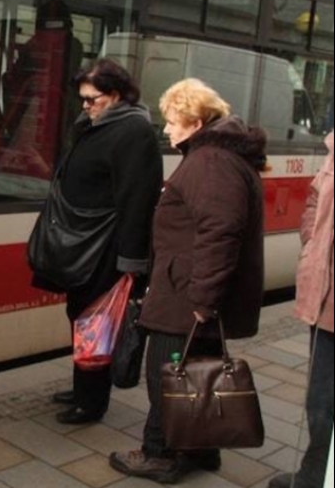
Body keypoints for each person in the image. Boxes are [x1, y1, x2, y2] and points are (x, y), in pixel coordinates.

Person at [109, 78, 266, 483]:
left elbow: (220, 231)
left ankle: (159, 453)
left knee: (168, 373)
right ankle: (200, 449)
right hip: (192, 289)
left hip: (186, 297)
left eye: (172, 119)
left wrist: (202, 298)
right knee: (198, 372)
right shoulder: (217, 156)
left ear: (195, 121)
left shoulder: (210, 161)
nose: (166, 128)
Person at [32, 58, 162, 424]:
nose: (86, 105)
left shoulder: (133, 132)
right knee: (80, 314)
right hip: (84, 241)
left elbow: (138, 200)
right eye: (82, 99)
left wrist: (132, 263)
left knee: (96, 322)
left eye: (93, 99)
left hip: (105, 247)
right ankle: (82, 385)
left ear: (116, 95)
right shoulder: (96, 124)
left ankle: (91, 403)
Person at [268, 131, 333, 488]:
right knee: (321, 399)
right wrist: (313, 243)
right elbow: (313, 201)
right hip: (324, 297)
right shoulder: (333, 151)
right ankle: (316, 472)